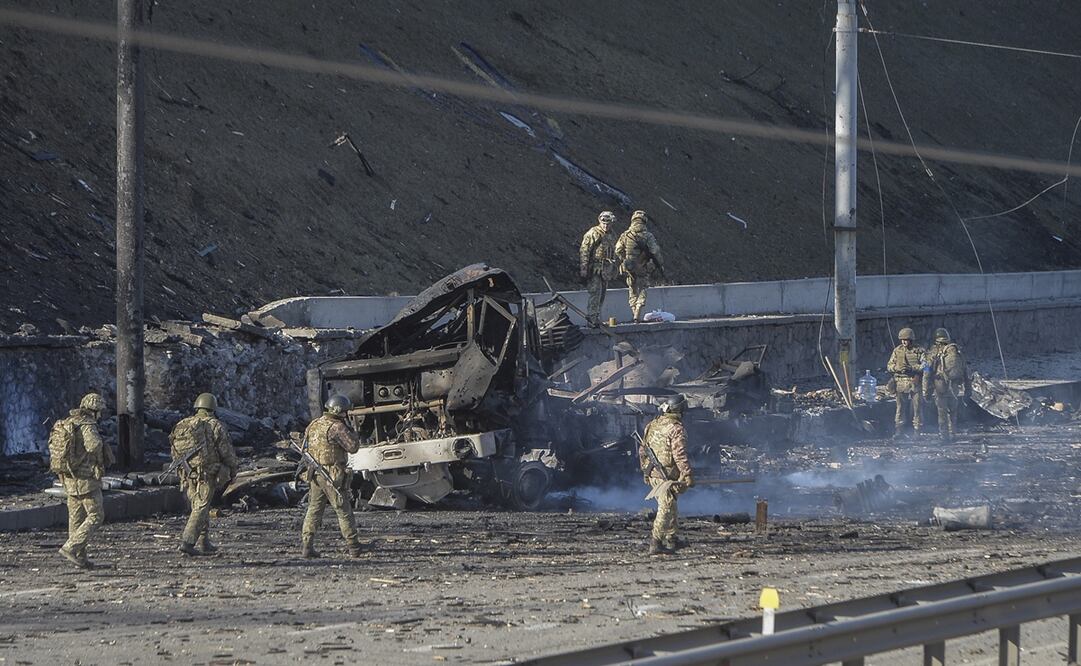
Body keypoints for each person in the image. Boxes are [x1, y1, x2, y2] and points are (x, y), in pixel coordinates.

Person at [169, 393, 238, 556]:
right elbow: (226, 451)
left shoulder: (183, 424)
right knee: (201, 506)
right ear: (213, 408)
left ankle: (203, 540)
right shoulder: (215, 425)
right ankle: (188, 542)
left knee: (199, 504)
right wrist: (233, 467)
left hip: (188, 472)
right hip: (207, 472)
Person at [49, 392, 113, 569]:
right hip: (86, 478)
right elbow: (93, 445)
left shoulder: (68, 422)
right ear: (95, 410)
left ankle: (80, 557)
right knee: (96, 515)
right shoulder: (87, 424)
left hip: (69, 477)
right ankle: (70, 547)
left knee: (76, 518)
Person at [301, 394, 365, 559]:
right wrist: (354, 431)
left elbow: (306, 447)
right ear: (339, 411)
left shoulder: (314, 424)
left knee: (314, 509)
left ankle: (307, 545)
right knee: (343, 509)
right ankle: (354, 546)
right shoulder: (337, 427)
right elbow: (353, 447)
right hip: (332, 474)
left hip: (315, 472)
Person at [639, 394, 694, 555]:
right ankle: (655, 542)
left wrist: (644, 471)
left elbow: (642, 450)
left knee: (671, 504)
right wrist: (687, 474)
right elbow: (679, 454)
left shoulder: (652, 424)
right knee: (666, 506)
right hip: (666, 474)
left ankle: (672, 539)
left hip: (653, 471)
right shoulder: (676, 428)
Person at [615, 210, 665, 323]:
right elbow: (655, 250)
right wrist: (659, 263)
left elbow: (618, 249)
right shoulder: (648, 235)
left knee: (632, 289)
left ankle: (634, 314)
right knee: (643, 288)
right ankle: (638, 311)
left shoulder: (625, 235)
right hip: (643, 266)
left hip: (629, 266)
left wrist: (624, 260)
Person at [924, 328, 966, 442]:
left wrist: (926, 391)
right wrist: (968, 389)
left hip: (940, 385)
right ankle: (953, 434)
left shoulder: (934, 352)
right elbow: (966, 370)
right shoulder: (957, 352)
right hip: (954, 386)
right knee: (953, 412)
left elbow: (927, 371)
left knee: (942, 412)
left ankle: (944, 436)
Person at [579, 211, 617, 325]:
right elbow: (584, 250)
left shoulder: (612, 234)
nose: (606, 226)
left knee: (602, 294)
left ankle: (596, 317)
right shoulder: (593, 233)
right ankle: (592, 318)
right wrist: (584, 267)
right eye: (603, 223)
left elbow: (614, 251)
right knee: (595, 293)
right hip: (595, 268)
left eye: (608, 223)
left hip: (606, 269)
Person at [887, 327, 926, 438]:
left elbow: (927, 367)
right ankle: (899, 431)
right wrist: (897, 368)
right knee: (900, 408)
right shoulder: (897, 350)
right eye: (902, 340)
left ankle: (917, 432)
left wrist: (913, 368)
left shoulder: (920, 351)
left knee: (917, 408)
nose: (904, 342)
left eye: (906, 339)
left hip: (914, 382)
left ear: (911, 340)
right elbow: (889, 366)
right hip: (900, 383)